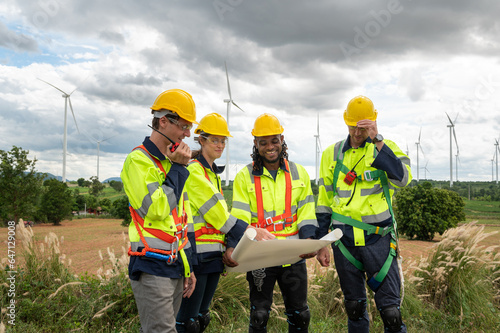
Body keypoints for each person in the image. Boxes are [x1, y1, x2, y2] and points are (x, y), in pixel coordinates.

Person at [315, 96, 412, 333]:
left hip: (378, 240)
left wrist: (377, 140)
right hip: (344, 240)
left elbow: (403, 179)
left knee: (390, 312)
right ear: (345, 122)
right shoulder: (332, 153)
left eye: (362, 128)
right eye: (352, 127)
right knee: (354, 307)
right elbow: (324, 200)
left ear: (372, 124)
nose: (357, 133)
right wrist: (321, 242)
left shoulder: (385, 148)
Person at [176, 113, 274, 333]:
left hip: (213, 255)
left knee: (201, 318)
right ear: (201, 140)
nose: (220, 145)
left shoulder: (212, 174)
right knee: (188, 322)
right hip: (198, 254)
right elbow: (217, 215)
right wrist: (250, 230)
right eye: (215, 140)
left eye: (223, 141)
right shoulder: (194, 170)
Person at [228, 113, 319, 333]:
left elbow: (307, 210)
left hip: (293, 257)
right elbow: (239, 218)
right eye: (264, 142)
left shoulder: (299, 172)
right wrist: (232, 246)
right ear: (255, 144)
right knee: (259, 316)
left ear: (282, 140)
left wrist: (309, 242)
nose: (270, 147)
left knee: (300, 315)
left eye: (274, 141)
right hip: (260, 257)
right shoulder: (244, 176)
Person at [121, 89, 198, 333]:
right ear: (162, 121)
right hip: (152, 264)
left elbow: (179, 223)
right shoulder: (138, 161)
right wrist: (178, 168)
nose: (187, 134)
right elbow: (156, 209)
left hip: (175, 264)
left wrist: (189, 267)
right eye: (184, 126)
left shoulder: (172, 163)